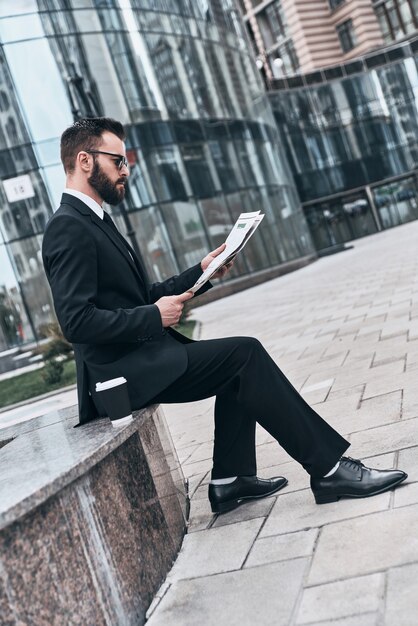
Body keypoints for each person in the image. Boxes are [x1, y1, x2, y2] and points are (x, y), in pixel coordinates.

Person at [42, 118, 407, 515]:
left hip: (136, 359)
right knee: (244, 355)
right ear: (84, 160)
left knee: (236, 364)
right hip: (118, 376)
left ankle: (230, 481)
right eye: (119, 161)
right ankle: (329, 468)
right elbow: (76, 322)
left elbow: (137, 298)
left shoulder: (95, 221)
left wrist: (202, 272)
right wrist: (152, 318)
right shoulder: (67, 228)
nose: (126, 170)